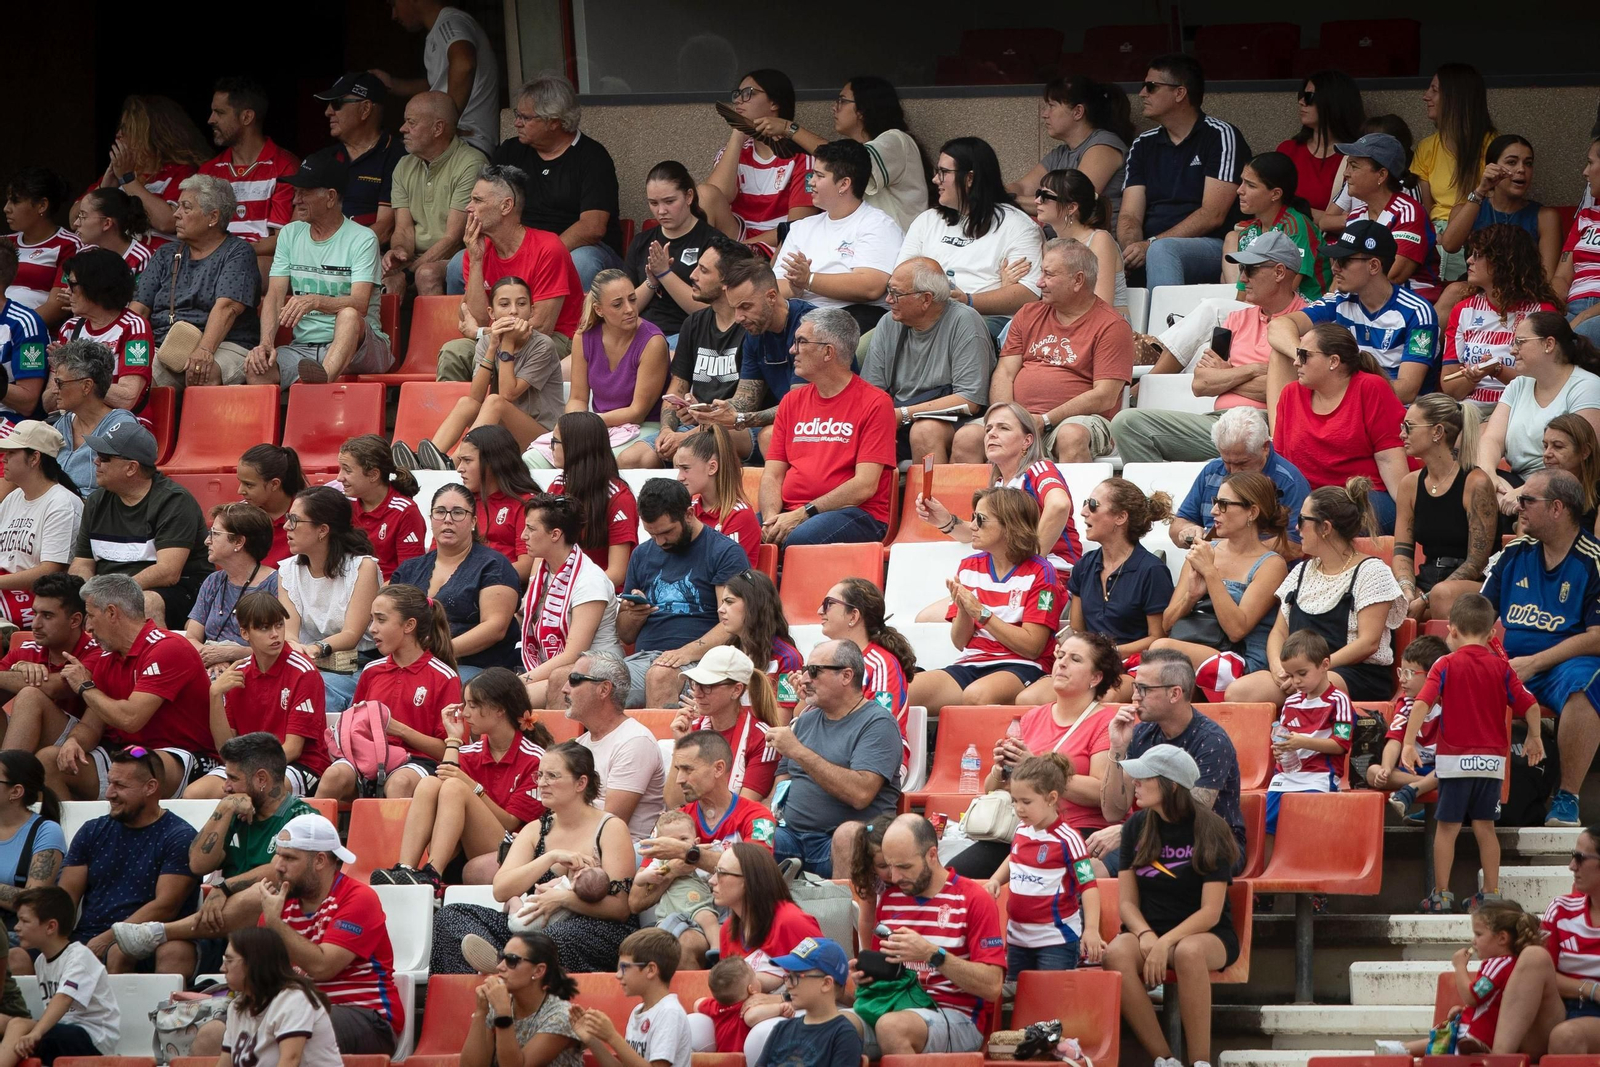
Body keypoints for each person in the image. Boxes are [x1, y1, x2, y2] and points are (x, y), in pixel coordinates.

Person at [436, 740, 637, 976]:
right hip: (533, 926)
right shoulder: (535, 829)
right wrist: (550, 857)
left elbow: (620, 908)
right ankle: (495, 980)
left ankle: (508, 966)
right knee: (451, 916)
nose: (542, 783)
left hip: (593, 928)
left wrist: (563, 900)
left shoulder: (610, 827)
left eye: (552, 776)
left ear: (581, 783)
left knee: (553, 940)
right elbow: (501, 889)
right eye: (540, 775)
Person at [111, 732, 318, 959]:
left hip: (276, 930)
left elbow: (279, 873)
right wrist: (224, 809)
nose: (225, 787)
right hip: (223, 925)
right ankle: (166, 947)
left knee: (262, 893)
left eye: (232, 779)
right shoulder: (235, 813)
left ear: (261, 779)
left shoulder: (301, 817)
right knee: (172, 953)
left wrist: (224, 887)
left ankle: (161, 931)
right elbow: (198, 864)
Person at [1115, 234, 1313, 464]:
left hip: (1264, 423)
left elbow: (1288, 393)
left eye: (1250, 269)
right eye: (1241, 268)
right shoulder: (1236, 319)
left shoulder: (1308, 324)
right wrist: (1255, 370)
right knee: (1127, 424)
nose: (1242, 278)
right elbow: (1201, 384)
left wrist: (1227, 375)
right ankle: (1159, 498)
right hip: (1218, 421)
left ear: (1279, 272)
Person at [1103, 745, 1239, 1067]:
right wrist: (1147, 934)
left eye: (1143, 777)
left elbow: (1210, 912)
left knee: (1187, 951)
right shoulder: (1136, 826)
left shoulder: (1211, 829)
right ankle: (1165, 1059)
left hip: (1207, 933)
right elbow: (1127, 903)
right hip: (1150, 928)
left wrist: (1165, 942)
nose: (1134, 782)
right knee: (1116, 953)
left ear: (1171, 784)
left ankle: (1201, 1062)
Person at [1480, 468, 1600, 829]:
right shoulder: (1514, 553)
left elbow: (1597, 636)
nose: (1518, 506)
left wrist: (1534, 663)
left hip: (1567, 665)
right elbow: (1479, 616)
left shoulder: (1592, 560)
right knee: (1454, 674)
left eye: (1528, 500)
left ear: (1558, 509)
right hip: (1512, 663)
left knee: (1586, 685)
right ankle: (1444, 786)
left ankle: (1567, 798)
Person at [1407, 593, 1542, 913]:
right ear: (1492, 633)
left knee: (1447, 829)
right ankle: (1491, 893)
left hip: (1454, 763)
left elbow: (1423, 703)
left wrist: (1409, 742)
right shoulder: (1502, 668)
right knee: (1485, 828)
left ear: (1451, 630)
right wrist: (1535, 736)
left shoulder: (1445, 663)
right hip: (1492, 763)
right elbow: (1531, 704)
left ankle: (1441, 895)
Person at [951, 238, 1132, 465]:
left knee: (1071, 436)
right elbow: (1005, 372)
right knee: (967, 437)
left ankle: (1068, 501)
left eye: (1048, 275)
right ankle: (971, 502)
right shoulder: (1028, 313)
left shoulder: (1111, 325)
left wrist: (1045, 420)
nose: (1039, 282)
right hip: (1021, 418)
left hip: (1078, 421)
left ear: (1078, 280)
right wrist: (1008, 417)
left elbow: (1104, 396)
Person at [958, 631, 1123, 881]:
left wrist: (1036, 766)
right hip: (1027, 828)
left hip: (1082, 831)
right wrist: (1001, 768)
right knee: (956, 876)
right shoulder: (1033, 717)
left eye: (1075, 659)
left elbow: (1101, 793)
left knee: (1043, 878)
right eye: (1060, 655)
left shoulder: (1106, 722)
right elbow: (993, 789)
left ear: (1096, 677)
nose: (1062, 663)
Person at [1226, 483, 1407, 706]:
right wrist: (1278, 667)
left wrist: (1314, 671)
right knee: (1238, 693)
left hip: (1353, 673)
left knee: (1314, 689)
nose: (1296, 528)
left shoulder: (1372, 571)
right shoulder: (1301, 572)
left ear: (1325, 528)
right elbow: (1279, 632)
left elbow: (1368, 643)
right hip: (1301, 674)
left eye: (1302, 520)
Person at [372, 668, 552, 891]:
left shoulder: (535, 759)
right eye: (465, 705)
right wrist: (453, 739)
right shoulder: (470, 751)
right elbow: (441, 782)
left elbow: (511, 823)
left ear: (499, 710)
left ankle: (433, 874)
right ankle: (406, 867)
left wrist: (473, 787)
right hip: (463, 850)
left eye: (473, 706)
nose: (465, 713)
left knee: (456, 787)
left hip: (511, 852)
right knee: (430, 783)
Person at [41, 574, 214, 801]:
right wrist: (74, 741)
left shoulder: (168, 648)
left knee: (136, 766)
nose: (88, 628)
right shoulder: (108, 657)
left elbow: (131, 719)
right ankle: (76, 834)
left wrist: (85, 686)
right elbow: (92, 725)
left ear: (112, 613)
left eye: (91, 616)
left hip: (183, 756)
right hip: (129, 754)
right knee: (48, 761)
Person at [252, 813, 405, 1054]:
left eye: (289, 858)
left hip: (365, 1015)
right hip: (295, 1012)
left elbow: (323, 966)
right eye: (278, 854)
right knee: (216, 1032)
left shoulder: (358, 899)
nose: (278, 866)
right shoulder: (279, 905)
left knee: (298, 1032)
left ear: (320, 860)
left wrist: (274, 924)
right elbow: (263, 976)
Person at [907, 487, 1064, 715]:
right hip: (971, 663)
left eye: (980, 520)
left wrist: (982, 613)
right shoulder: (970, 566)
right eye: (973, 518)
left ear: (1010, 525)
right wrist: (963, 610)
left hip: (1022, 666)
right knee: (898, 691)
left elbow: (1032, 648)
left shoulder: (1042, 572)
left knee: (976, 695)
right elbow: (960, 642)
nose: (972, 526)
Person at [857, 814, 1003, 1056]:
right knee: (832, 1025)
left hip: (956, 1015)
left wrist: (931, 954)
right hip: (894, 1004)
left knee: (891, 1027)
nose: (894, 877)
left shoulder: (974, 899)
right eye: (888, 866)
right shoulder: (891, 900)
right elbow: (886, 976)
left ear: (932, 855)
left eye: (904, 867)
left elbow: (992, 986)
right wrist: (864, 977)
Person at [917, 402, 1083, 613]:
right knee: (926, 616)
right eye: (988, 429)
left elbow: (1059, 505)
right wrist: (945, 520)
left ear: (1027, 440)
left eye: (1003, 428)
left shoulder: (1039, 470)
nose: (992, 434)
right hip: (1008, 580)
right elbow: (978, 532)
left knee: (936, 618)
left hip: (1051, 580)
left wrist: (1030, 562)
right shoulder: (997, 485)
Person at [249, 152, 392, 387]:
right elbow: (274, 297)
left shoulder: (363, 239)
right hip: (304, 350)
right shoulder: (289, 234)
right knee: (257, 372)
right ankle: (311, 389)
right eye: (296, 193)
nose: (296, 200)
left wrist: (315, 301)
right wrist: (265, 344)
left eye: (304, 193)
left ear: (330, 197)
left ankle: (321, 381)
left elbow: (360, 304)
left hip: (361, 348)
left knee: (348, 314)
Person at [1267, 222, 1442, 414]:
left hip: (1392, 411)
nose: (1334, 268)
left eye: (1344, 261)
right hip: (1344, 401)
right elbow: (1278, 326)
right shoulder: (1339, 300)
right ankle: (1278, 441)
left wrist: (1341, 384)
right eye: (1334, 260)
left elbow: (1407, 390)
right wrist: (1303, 357)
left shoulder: (1417, 311)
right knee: (1281, 354)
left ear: (1374, 265)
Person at [1097, 649, 1248, 873]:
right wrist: (1117, 749)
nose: (1135, 696)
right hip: (1153, 838)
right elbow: (1113, 812)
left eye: (1144, 689)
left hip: (1212, 843)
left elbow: (1193, 814)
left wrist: (1126, 831)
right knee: (1090, 868)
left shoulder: (1212, 741)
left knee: (1157, 870)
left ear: (1175, 693)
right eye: (1135, 687)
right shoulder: (1142, 733)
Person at [640, 729, 779, 967]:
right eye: (677, 770)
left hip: (742, 920)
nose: (679, 780)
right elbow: (635, 901)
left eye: (688, 769)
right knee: (680, 942)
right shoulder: (675, 822)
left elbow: (756, 869)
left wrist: (687, 854)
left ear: (718, 768)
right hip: (682, 917)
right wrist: (672, 870)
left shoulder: (757, 816)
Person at [760, 308, 895, 547]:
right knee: (736, 535)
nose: (793, 350)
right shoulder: (791, 402)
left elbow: (864, 485)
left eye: (801, 342)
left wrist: (804, 513)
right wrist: (771, 520)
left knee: (798, 538)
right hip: (791, 512)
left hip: (855, 513)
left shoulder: (876, 402)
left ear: (828, 352)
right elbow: (772, 474)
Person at [57, 746, 197, 974]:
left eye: (120, 786)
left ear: (150, 787)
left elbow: (166, 906)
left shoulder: (179, 836)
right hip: (85, 937)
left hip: (146, 939)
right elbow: (64, 899)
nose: (109, 793)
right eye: (110, 783)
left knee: (119, 952)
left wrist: (108, 938)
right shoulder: (92, 830)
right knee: (19, 954)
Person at [770, 639, 902, 878]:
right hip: (791, 837)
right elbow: (783, 780)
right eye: (804, 670)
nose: (805, 679)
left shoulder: (877, 723)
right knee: (754, 833)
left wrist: (799, 751)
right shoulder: (807, 720)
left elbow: (860, 794)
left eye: (814, 671)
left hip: (839, 843)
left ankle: (846, 914)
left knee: (848, 835)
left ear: (846, 676)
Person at [317, 583, 461, 802]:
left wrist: (399, 730)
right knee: (333, 775)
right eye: (372, 619)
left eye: (381, 620)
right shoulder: (372, 671)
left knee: (399, 783)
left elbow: (446, 750)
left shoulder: (444, 676)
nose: (372, 628)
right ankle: (311, 835)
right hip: (368, 757)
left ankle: (394, 838)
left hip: (418, 762)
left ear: (409, 625)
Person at [1118, 54, 1251, 290]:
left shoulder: (1220, 135)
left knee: (1163, 250)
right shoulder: (1142, 144)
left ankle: (1165, 327)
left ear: (1180, 93)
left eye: (1151, 86)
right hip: (1151, 245)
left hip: (1212, 246)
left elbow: (1213, 214)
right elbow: (1129, 215)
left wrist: (1150, 245)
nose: (1142, 93)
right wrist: (1132, 249)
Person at [612, 479, 745, 709]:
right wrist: (634, 615)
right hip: (643, 659)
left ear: (689, 514)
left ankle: (660, 745)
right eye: (651, 534)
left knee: (660, 675)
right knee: (578, 678)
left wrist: (687, 652)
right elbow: (626, 635)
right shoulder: (642, 554)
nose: (660, 541)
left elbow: (733, 622)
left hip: (700, 663)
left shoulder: (723, 552)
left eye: (666, 532)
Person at [440, 164, 581, 376]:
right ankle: (459, 410)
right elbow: (476, 317)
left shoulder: (548, 248)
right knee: (453, 352)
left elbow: (541, 328)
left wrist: (481, 333)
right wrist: (477, 259)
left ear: (506, 206)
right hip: (497, 339)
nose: (468, 207)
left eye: (477, 200)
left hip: (551, 342)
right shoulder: (475, 251)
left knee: (503, 360)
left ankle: (493, 409)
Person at [1152, 471, 1290, 687]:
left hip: (1239, 659)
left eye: (1224, 504)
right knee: (1159, 664)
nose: (1214, 511)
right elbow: (1167, 623)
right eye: (1215, 502)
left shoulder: (1271, 564)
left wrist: (1210, 573)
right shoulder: (1203, 550)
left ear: (1252, 512)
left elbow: (1237, 631)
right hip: (1193, 648)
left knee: (1161, 652)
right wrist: (1191, 597)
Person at [484, 76, 622, 289]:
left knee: (582, 263)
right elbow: (485, 203)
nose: (516, 123)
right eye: (517, 115)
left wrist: (542, 256)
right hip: (519, 247)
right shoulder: (511, 150)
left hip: (578, 248)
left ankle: (580, 324)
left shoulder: (593, 157)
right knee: (458, 264)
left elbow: (592, 228)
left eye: (525, 117)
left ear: (554, 122)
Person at [1270, 323, 1409, 533]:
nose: (1296, 362)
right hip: (1308, 501)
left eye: (1304, 355)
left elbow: (1389, 459)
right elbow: (1281, 464)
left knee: (1327, 526)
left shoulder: (1370, 388)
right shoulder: (1290, 394)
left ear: (1333, 361)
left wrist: (1412, 516)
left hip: (1362, 497)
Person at [897, 136, 1043, 335]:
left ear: (970, 178)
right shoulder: (927, 220)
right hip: (924, 316)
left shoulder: (1017, 225)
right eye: (936, 171)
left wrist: (968, 300)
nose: (935, 179)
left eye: (944, 172)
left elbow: (1028, 292)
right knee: (873, 342)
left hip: (985, 322)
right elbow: (900, 276)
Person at [70, 420, 209, 627]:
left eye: (105, 457)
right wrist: (88, 592)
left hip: (177, 592)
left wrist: (111, 592)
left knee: (145, 603)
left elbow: (168, 572)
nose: (96, 461)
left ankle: (155, 659)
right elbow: (82, 563)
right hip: (111, 591)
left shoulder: (174, 501)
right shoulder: (97, 501)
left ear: (131, 468)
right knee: (60, 604)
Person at [128, 173, 261, 389]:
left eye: (186, 208)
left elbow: (226, 308)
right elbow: (139, 309)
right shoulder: (165, 254)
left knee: (201, 373)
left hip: (224, 344)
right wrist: (115, 345)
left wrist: (205, 350)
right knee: (127, 373)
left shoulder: (237, 252)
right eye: (178, 207)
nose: (176, 215)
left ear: (213, 217)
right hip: (167, 345)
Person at [410, 276, 564, 462]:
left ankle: (454, 462)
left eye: (521, 304)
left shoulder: (543, 346)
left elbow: (507, 394)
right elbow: (476, 396)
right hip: (504, 431)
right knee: (466, 403)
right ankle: (426, 460)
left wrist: (507, 342)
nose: (514, 311)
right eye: (505, 304)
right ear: (492, 313)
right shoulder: (486, 341)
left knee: (495, 402)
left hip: (542, 437)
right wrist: (492, 346)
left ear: (531, 311)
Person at [861, 258, 993, 466]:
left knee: (925, 430)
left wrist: (903, 414)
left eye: (896, 294)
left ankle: (929, 498)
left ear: (926, 299)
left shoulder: (964, 321)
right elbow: (870, 392)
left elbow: (969, 400)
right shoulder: (889, 322)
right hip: (897, 418)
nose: (888, 299)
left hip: (953, 421)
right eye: (889, 290)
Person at [983, 752, 1103, 976]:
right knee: (1018, 998)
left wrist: (1092, 930)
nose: (1019, 808)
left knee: (1049, 1004)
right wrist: (995, 880)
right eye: (1015, 801)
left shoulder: (1068, 839)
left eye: (1026, 802)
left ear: (1051, 798)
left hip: (1055, 941)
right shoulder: (1021, 829)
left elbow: (1088, 885)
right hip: (1018, 938)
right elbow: (1014, 857)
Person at [1487, 825, 1600, 1057]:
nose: (1571, 866)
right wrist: (1590, 989)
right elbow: (1541, 976)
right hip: (1559, 1011)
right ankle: (1499, 1060)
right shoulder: (1561, 909)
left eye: (1580, 858)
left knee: (1566, 1036)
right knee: (1533, 956)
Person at [194, 607, 331, 799]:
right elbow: (225, 747)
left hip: (299, 764)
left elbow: (293, 748)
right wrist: (215, 694)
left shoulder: (304, 671)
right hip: (246, 765)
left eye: (279, 625)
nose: (275, 634)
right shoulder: (238, 673)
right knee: (195, 794)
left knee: (256, 790)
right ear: (244, 633)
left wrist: (247, 772)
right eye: (265, 628)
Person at [1376, 901, 1542, 1057]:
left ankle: (1402, 1049)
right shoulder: (1510, 964)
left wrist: (1460, 967)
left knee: (1450, 1038)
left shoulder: (1498, 964)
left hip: (1480, 1033)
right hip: (1482, 1029)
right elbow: (1488, 1001)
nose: (1473, 941)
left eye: (1479, 934)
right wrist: (1463, 1010)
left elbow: (1473, 996)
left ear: (1502, 938)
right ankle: (1403, 1049)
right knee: (1448, 1032)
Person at [770, 75, 932, 233]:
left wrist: (789, 129)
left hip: (897, 250)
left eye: (842, 101)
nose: (834, 107)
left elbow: (845, 160)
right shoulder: (866, 147)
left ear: (862, 109)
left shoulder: (896, 140)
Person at [542, 269, 667, 470]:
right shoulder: (583, 337)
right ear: (599, 310)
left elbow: (637, 412)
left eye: (632, 300)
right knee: (535, 459)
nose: (629, 309)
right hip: (598, 426)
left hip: (642, 426)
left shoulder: (653, 341)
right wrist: (574, 424)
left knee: (597, 463)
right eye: (618, 304)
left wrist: (588, 424)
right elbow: (577, 399)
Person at [393, 483, 520, 679]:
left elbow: (495, 627)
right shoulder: (410, 569)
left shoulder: (494, 565)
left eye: (458, 513)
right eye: (440, 512)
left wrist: (435, 653)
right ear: (431, 518)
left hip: (475, 668)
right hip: (409, 663)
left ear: (473, 522)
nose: (448, 520)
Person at [773, 139, 902, 331]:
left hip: (853, 320)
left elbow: (871, 286)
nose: (811, 182)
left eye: (819, 175)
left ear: (844, 184)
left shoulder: (878, 225)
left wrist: (808, 280)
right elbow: (774, 286)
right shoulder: (801, 227)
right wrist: (795, 287)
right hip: (801, 315)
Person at [1478, 313, 1600, 513]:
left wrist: (1526, 491)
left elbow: (1581, 460)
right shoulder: (1518, 385)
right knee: (1473, 481)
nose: (1512, 350)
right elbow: (1491, 439)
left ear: (1549, 344)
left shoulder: (1587, 386)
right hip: (1514, 484)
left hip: (1564, 491)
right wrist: (1490, 477)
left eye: (1520, 342)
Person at [278, 483, 382, 717]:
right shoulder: (288, 570)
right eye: (287, 518)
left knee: (313, 694)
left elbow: (351, 634)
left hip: (356, 664)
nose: (286, 526)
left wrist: (315, 648)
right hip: (306, 661)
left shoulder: (362, 567)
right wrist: (296, 647)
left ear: (322, 530)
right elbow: (289, 632)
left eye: (294, 520)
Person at [1393, 394, 1496, 621]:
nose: (1402, 434)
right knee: (1387, 598)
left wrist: (1427, 598)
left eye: (1408, 427)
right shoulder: (1409, 484)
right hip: (1428, 577)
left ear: (1437, 432)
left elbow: (1477, 562)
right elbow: (1402, 552)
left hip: (1470, 583)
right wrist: (1408, 590)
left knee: (1442, 594)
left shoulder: (1475, 482)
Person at [654, 236, 755, 463]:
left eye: (703, 270)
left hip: (733, 429)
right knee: (635, 457)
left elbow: (743, 408)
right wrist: (667, 431)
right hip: (692, 427)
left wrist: (689, 435)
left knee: (689, 454)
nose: (692, 275)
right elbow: (676, 389)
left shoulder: (750, 327)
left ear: (726, 282)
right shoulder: (694, 323)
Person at [1441, 224, 1563, 409]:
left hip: (1521, 409)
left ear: (1503, 262)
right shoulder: (1463, 310)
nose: (1469, 261)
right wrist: (1477, 375)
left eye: (1478, 255)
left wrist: (1498, 370)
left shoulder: (1542, 312)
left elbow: (1549, 384)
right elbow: (1450, 387)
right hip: (1469, 411)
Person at [518, 493, 622, 710]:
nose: (523, 536)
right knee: (485, 692)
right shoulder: (543, 573)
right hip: (554, 670)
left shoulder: (590, 580)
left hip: (595, 674)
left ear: (555, 534)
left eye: (531, 529)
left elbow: (574, 654)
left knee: (501, 700)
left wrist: (521, 681)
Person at [700, 69, 817, 254]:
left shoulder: (803, 157)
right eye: (737, 95)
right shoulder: (732, 151)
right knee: (704, 192)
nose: (738, 100)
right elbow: (714, 197)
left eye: (748, 94)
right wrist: (738, 134)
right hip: (737, 238)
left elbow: (798, 226)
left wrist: (742, 248)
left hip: (777, 246)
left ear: (774, 102)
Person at [0, 887, 119, 1066]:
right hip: (60, 1030)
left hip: (92, 1038)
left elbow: (63, 998)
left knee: (48, 1036)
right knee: (14, 1024)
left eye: (24, 921)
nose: (16, 927)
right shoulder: (41, 961)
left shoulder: (80, 956)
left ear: (50, 927)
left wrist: (36, 1033)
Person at [382, 92, 486, 296]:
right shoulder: (404, 165)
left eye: (411, 122)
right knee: (373, 272)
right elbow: (403, 229)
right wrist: (399, 252)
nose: (403, 129)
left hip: (457, 255)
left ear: (438, 128)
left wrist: (406, 274)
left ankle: (435, 330)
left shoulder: (470, 163)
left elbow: (453, 239)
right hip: (415, 259)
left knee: (426, 274)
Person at [1063, 478, 1175, 663]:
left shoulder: (1152, 570)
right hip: (1090, 664)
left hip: (1134, 666)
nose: (1083, 512)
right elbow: (1078, 630)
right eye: (1085, 503)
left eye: (1093, 505)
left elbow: (1158, 638)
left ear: (1121, 517)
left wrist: (1110, 653)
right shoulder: (1084, 566)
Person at [73, 95, 209, 245]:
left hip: (156, 263)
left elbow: (167, 222)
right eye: (120, 128)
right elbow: (73, 220)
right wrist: (104, 187)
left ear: (151, 135)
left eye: (128, 129)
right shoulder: (116, 175)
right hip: (115, 263)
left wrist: (128, 179)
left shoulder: (180, 172)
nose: (119, 134)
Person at [1265, 630, 1354, 857]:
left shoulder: (1338, 700)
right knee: (1264, 825)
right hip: (1285, 776)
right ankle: (1262, 884)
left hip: (1320, 775)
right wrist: (1280, 749)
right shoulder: (1291, 701)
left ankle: (1315, 884)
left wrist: (1300, 742)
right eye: (1290, 675)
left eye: (1302, 674)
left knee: (1309, 827)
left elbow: (1340, 744)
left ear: (1324, 665)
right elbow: (1284, 737)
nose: (1295, 681)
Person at [561, 651, 666, 841]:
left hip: (620, 852)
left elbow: (610, 824)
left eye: (574, 679)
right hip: (577, 844)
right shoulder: (580, 744)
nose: (564, 688)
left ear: (603, 689)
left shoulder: (635, 741)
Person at [375, 0, 502, 156]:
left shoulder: (450, 21)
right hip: (455, 144)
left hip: (467, 143)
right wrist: (392, 84)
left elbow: (464, 63)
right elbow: (435, 85)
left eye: (393, 5)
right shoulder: (436, 33)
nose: (393, 15)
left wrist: (447, 125)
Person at [199, 77, 300, 265]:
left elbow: (283, 240)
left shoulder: (284, 166)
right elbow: (197, 231)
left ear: (246, 117)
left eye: (219, 113)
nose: (210, 120)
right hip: (212, 262)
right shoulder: (209, 171)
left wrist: (232, 252)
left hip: (260, 262)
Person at [1011, 75, 1133, 230]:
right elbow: (1022, 187)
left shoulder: (1105, 145)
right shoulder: (1061, 153)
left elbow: (1068, 200)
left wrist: (1009, 200)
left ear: (1078, 112)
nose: (1044, 114)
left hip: (1092, 243)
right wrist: (991, 192)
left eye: (1052, 106)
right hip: (1060, 241)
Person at [212, 926, 344, 1067]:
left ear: (253, 963)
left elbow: (291, 1061)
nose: (222, 968)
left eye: (229, 960)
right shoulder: (237, 1007)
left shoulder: (294, 999)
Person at [1439, 136, 1562, 286]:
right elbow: (1450, 245)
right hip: (1475, 289)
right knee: (1453, 290)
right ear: (1491, 167)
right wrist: (1481, 190)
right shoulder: (1467, 209)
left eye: (1528, 164)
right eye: (1511, 162)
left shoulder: (1545, 217)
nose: (1522, 169)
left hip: (1524, 292)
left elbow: (1547, 276)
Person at [1334, 132, 1443, 303]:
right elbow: (1341, 271)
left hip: (1411, 306)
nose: (1346, 174)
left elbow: (1393, 275)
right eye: (1347, 166)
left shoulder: (1408, 212)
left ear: (1381, 175)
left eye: (1354, 166)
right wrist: (1333, 300)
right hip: (1367, 302)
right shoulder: (1355, 216)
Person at [0, 574, 101, 757]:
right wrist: (18, 668)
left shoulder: (98, 652)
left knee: (31, 695)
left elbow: (56, 687)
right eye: (34, 613)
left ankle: (5, 779)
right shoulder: (26, 650)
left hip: (80, 744)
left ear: (75, 620)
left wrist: (15, 674)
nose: (35, 624)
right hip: (30, 737)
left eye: (47, 616)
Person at [816, 578, 914, 766]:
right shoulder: (824, 661)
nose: (820, 611)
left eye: (829, 604)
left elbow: (879, 729)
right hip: (833, 753)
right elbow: (804, 718)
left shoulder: (881, 664)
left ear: (853, 616)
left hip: (877, 761)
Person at [51, 246, 154, 414]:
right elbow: (49, 402)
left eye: (73, 284)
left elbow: (127, 398)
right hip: (71, 423)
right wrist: (65, 376)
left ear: (96, 286)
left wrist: (74, 374)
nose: (67, 291)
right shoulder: (69, 328)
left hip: (119, 425)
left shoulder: (134, 327)